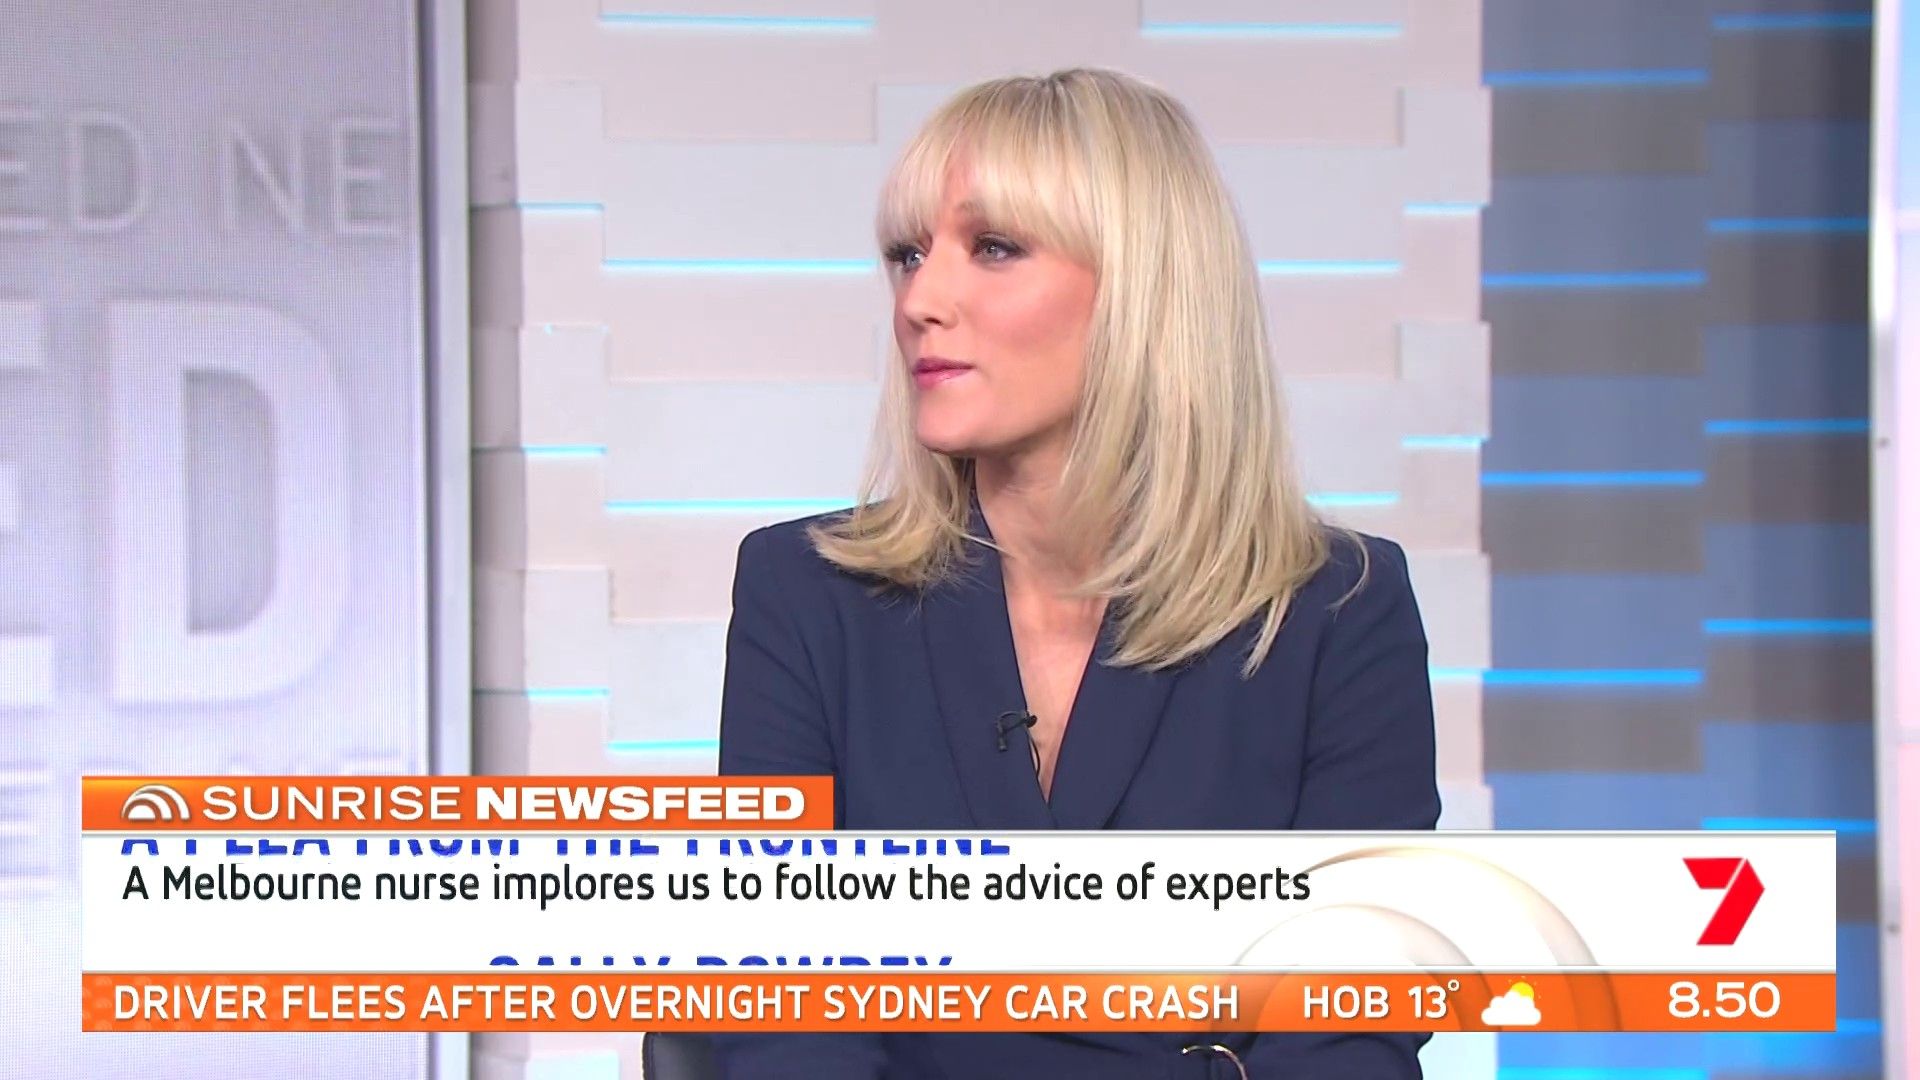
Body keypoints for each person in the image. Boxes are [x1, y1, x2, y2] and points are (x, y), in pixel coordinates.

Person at [715, 66, 1439, 1079]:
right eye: (908, 255)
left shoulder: (1337, 613)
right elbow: (783, 1014)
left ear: (1148, 288)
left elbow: (1348, 1031)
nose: (920, 300)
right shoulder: (803, 595)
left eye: (994, 248)